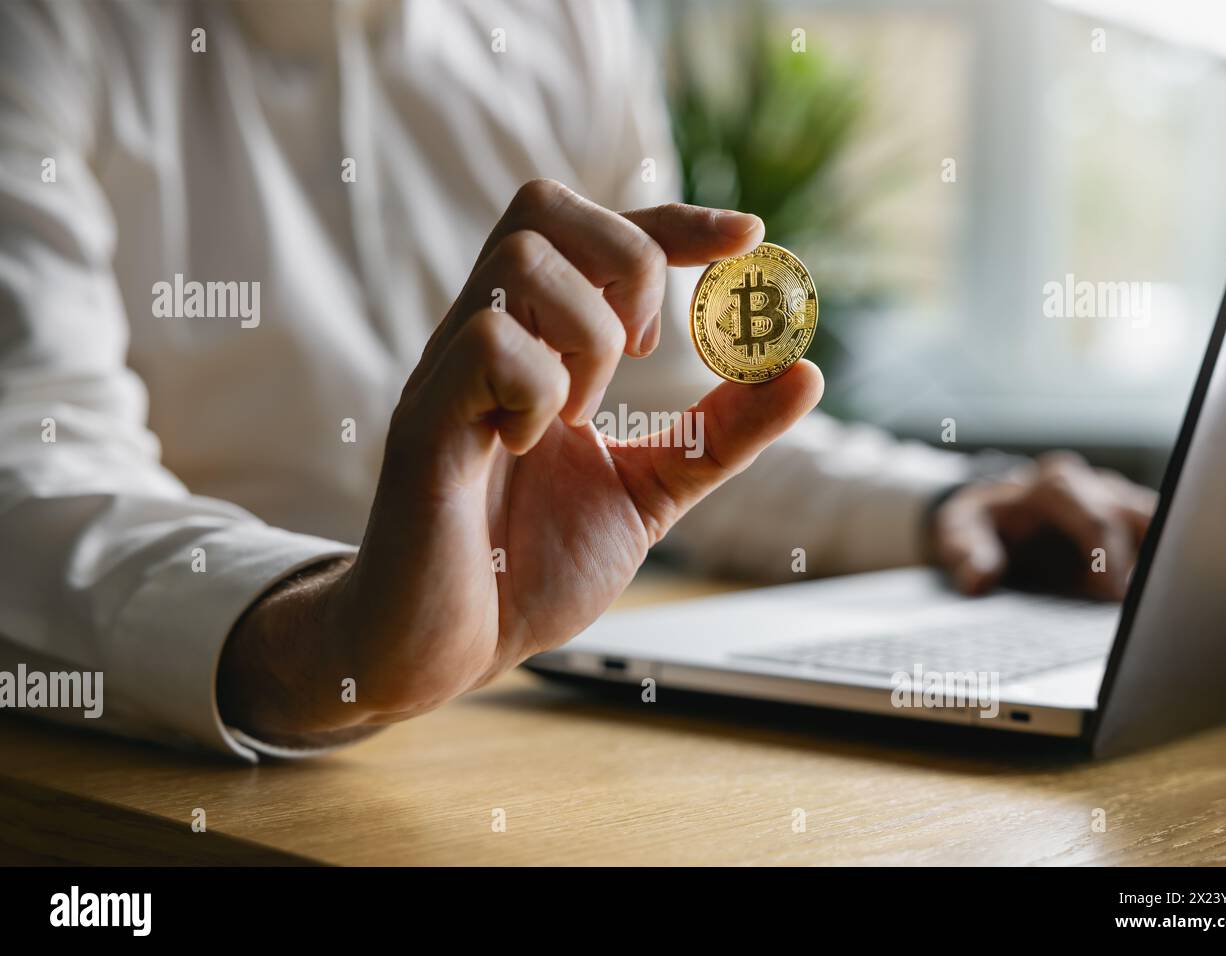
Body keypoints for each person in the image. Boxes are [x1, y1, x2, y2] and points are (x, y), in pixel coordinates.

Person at [0, 0, 1155, 760]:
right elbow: (27, 458)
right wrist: (324, 640)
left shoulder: (566, 24)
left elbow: (663, 424)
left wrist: (939, 505)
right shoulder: (47, 33)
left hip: (519, 741)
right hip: (211, 766)